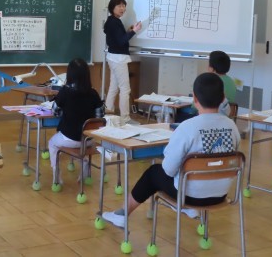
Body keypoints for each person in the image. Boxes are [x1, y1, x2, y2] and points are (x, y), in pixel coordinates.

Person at [102, 72, 241, 228]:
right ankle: (188, 209)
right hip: (220, 194)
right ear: (223, 98)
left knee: (153, 173)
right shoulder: (232, 127)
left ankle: (122, 214)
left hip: (189, 195)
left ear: (194, 99)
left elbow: (168, 169)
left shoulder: (187, 127)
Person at [48, 58, 103, 184]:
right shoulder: (93, 93)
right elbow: (100, 115)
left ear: (69, 74)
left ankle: (57, 176)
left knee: (52, 143)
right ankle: (84, 164)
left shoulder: (65, 92)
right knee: (76, 146)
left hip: (70, 139)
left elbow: (55, 112)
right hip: (89, 140)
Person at [104, 0, 141, 125]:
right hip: (118, 59)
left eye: (124, 6)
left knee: (114, 87)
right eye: (119, 6)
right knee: (125, 89)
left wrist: (128, 31)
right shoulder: (114, 22)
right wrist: (134, 31)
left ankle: (107, 115)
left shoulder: (112, 21)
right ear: (112, 7)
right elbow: (121, 41)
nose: (123, 8)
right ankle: (125, 118)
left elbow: (117, 38)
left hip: (113, 57)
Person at [175, 50, 234, 123]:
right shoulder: (231, 82)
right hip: (224, 118)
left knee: (178, 112)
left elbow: (195, 106)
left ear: (212, 68)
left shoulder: (212, 81)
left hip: (207, 118)